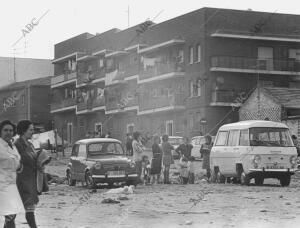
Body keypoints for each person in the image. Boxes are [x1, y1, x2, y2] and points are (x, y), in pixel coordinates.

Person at [15, 120, 39, 228]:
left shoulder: (30, 145)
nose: (33, 132)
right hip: (20, 181)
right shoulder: (16, 145)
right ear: (24, 130)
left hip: (31, 181)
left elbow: (34, 160)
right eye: (31, 129)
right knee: (13, 211)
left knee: (29, 209)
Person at [0, 120, 24, 228]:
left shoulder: (13, 147)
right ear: (0, 131)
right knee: (10, 216)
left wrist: (20, 167)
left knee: (11, 216)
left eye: (11, 130)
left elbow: (17, 164)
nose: (8, 132)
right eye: (5, 130)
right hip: (2, 186)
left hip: (12, 186)